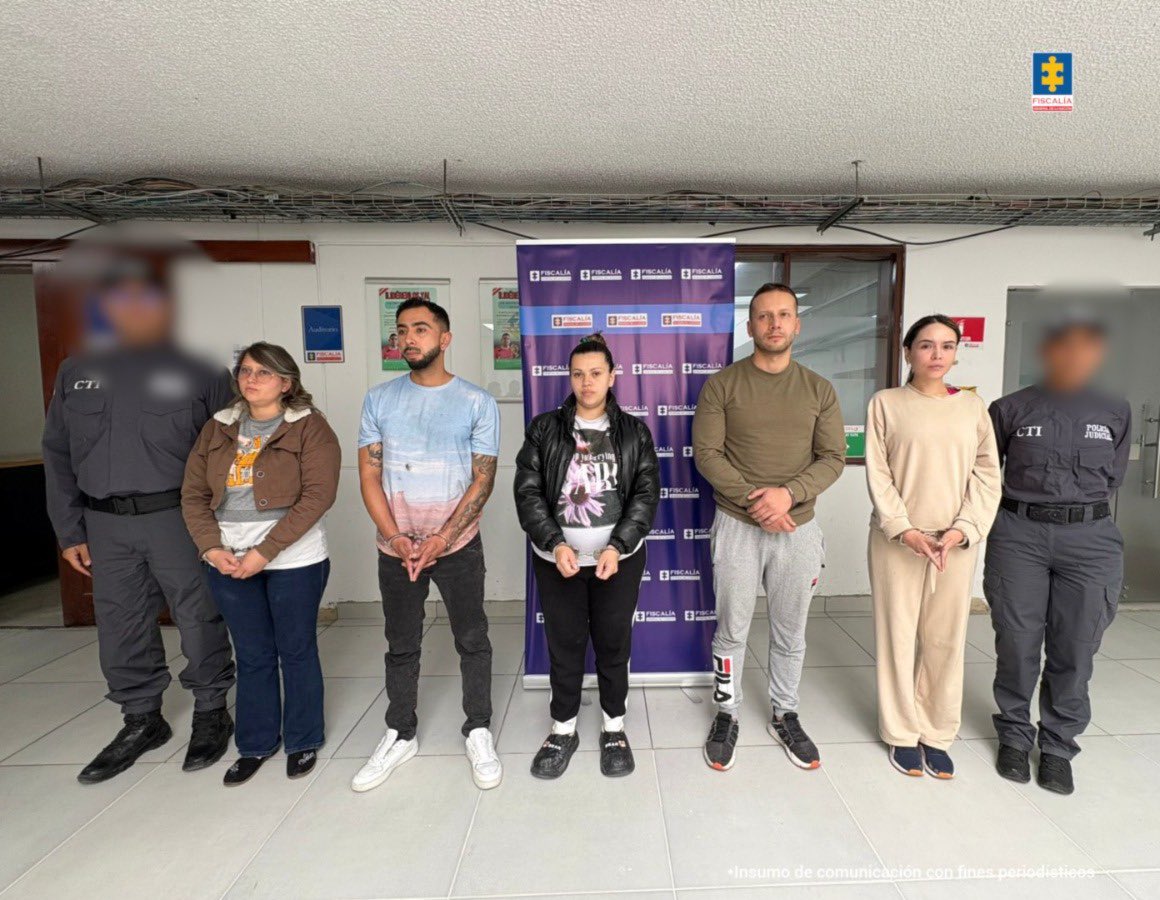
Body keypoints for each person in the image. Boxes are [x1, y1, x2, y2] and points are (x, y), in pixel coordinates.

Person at [41, 251, 236, 784]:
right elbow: (58, 454)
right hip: (104, 523)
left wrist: (222, 528)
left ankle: (212, 710)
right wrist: (69, 530)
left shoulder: (202, 372)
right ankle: (141, 718)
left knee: (198, 615)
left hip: (179, 517)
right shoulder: (77, 371)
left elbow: (230, 453)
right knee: (120, 621)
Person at [692, 282, 845, 771]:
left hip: (798, 531)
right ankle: (727, 712)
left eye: (783, 315)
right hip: (737, 525)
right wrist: (759, 503)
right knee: (731, 630)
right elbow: (707, 454)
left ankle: (785, 712)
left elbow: (833, 457)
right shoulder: (722, 385)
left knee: (790, 632)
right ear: (750, 325)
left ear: (797, 325)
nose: (774, 324)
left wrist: (788, 496)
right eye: (764, 315)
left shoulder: (819, 389)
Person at [352, 297, 503, 792]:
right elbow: (369, 475)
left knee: (472, 639)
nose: (408, 338)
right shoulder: (379, 399)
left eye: (420, 328)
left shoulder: (476, 402)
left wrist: (441, 538)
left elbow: (483, 480)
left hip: (457, 547)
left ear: (445, 338)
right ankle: (400, 733)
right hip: (395, 548)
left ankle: (478, 728)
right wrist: (396, 537)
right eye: (401, 330)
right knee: (401, 644)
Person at [182, 342, 341, 786]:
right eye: (246, 371)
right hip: (228, 558)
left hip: (294, 559)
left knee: (296, 649)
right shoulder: (218, 426)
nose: (251, 379)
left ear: (286, 383)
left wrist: (264, 552)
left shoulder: (309, 427)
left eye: (264, 372)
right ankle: (255, 744)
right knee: (252, 654)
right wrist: (210, 547)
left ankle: (303, 739)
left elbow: (318, 496)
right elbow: (193, 494)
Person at [985, 312, 1131, 795]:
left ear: (1097, 354)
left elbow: (1113, 477)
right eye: (1063, 346)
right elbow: (986, 470)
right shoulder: (1010, 408)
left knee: (1076, 646)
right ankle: (1013, 734)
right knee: (1017, 641)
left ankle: (1058, 745)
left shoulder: (1114, 410)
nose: (1073, 356)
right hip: (1019, 535)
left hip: (1089, 539)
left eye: (1084, 347)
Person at [514, 334, 660, 779]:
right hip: (558, 559)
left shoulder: (634, 431)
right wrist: (555, 542)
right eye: (578, 374)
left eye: (596, 373)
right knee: (565, 644)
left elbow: (646, 495)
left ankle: (614, 727)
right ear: (569, 377)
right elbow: (528, 492)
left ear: (612, 376)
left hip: (619, 560)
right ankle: (563, 728)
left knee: (613, 642)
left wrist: (618, 546)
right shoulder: (544, 428)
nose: (587, 382)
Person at [865, 315, 1001, 779]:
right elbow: (879, 473)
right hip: (899, 540)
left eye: (947, 345)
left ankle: (937, 732)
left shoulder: (972, 407)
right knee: (898, 636)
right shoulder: (886, 403)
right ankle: (902, 732)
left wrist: (963, 530)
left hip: (954, 542)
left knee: (945, 638)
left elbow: (987, 475)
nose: (937, 354)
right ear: (908, 352)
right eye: (926, 345)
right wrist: (904, 529)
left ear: (957, 353)